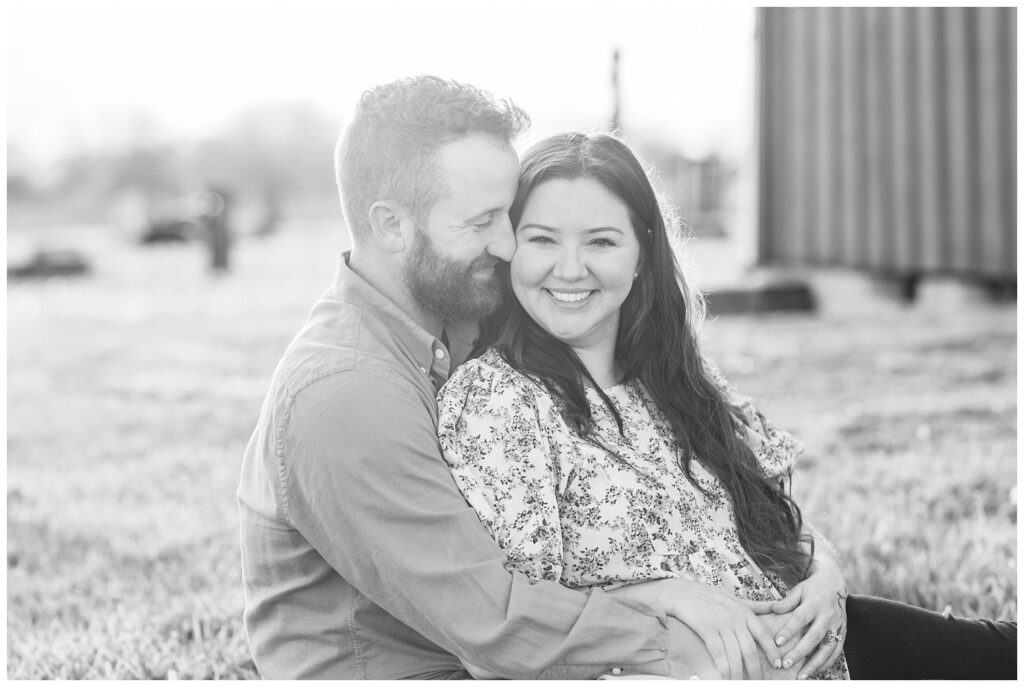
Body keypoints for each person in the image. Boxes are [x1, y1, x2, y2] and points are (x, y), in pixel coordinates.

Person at [437, 131, 1017, 680]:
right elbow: (518, 620)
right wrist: (663, 595)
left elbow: (779, 515)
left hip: (828, 648)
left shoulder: (674, 379)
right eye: (542, 239)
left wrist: (826, 576)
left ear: (642, 254)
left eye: (601, 241)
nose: (569, 268)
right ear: (512, 249)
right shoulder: (497, 400)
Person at [236, 76, 756, 679]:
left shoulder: (455, 317)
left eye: (508, 216)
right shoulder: (345, 394)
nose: (507, 245)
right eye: (482, 221)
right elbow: (496, 625)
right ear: (391, 226)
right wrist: (708, 648)